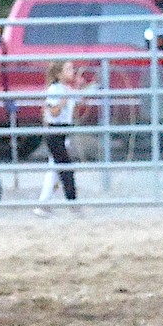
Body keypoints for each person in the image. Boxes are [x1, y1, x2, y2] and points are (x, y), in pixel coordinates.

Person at [35, 60, 91, 215]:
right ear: (59, 74)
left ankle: (43, 204)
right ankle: (72, 202)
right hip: (55, 132)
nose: (72, 72)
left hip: (64, 131)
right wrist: (64, 100)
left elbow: (77, 110)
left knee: (54, 169)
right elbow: (54, 112)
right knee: (66, 168)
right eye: (68, 69)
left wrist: (79, 90)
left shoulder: (67, 89)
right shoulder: (54, 90)